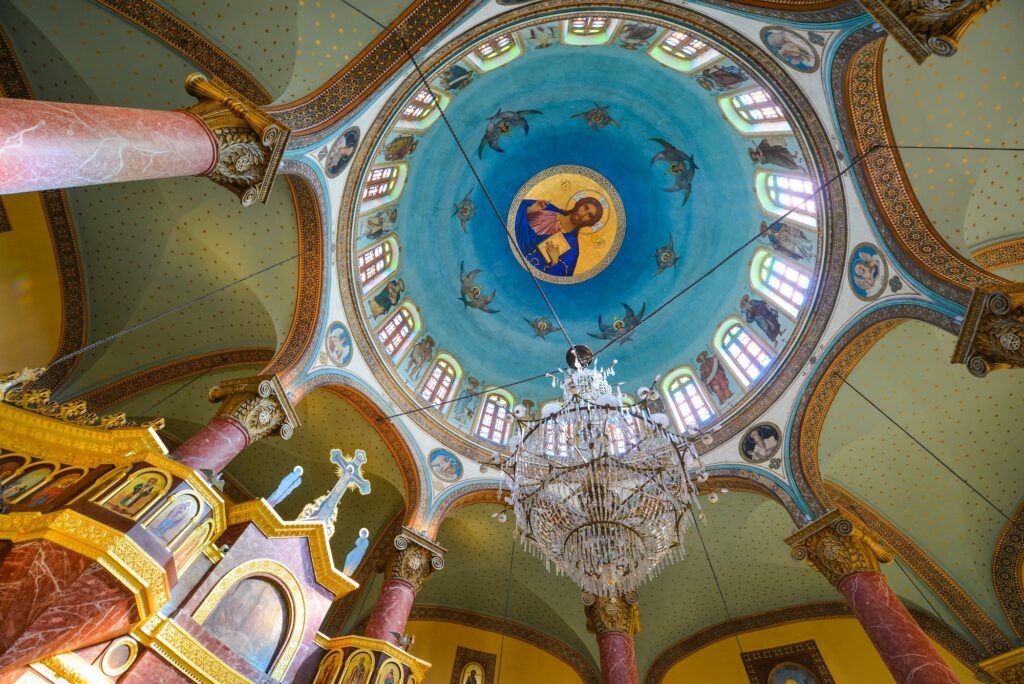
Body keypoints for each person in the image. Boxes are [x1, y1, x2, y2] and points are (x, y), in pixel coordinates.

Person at [514, 197, 604, 277]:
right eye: (585, 208)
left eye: (589, 215)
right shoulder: (548, 208)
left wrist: (555, 262)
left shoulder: (572, 248)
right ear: (579, 204)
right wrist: (528, 210)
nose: (583, 214)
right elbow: (513, 208)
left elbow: (560, 279)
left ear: (589, 222)